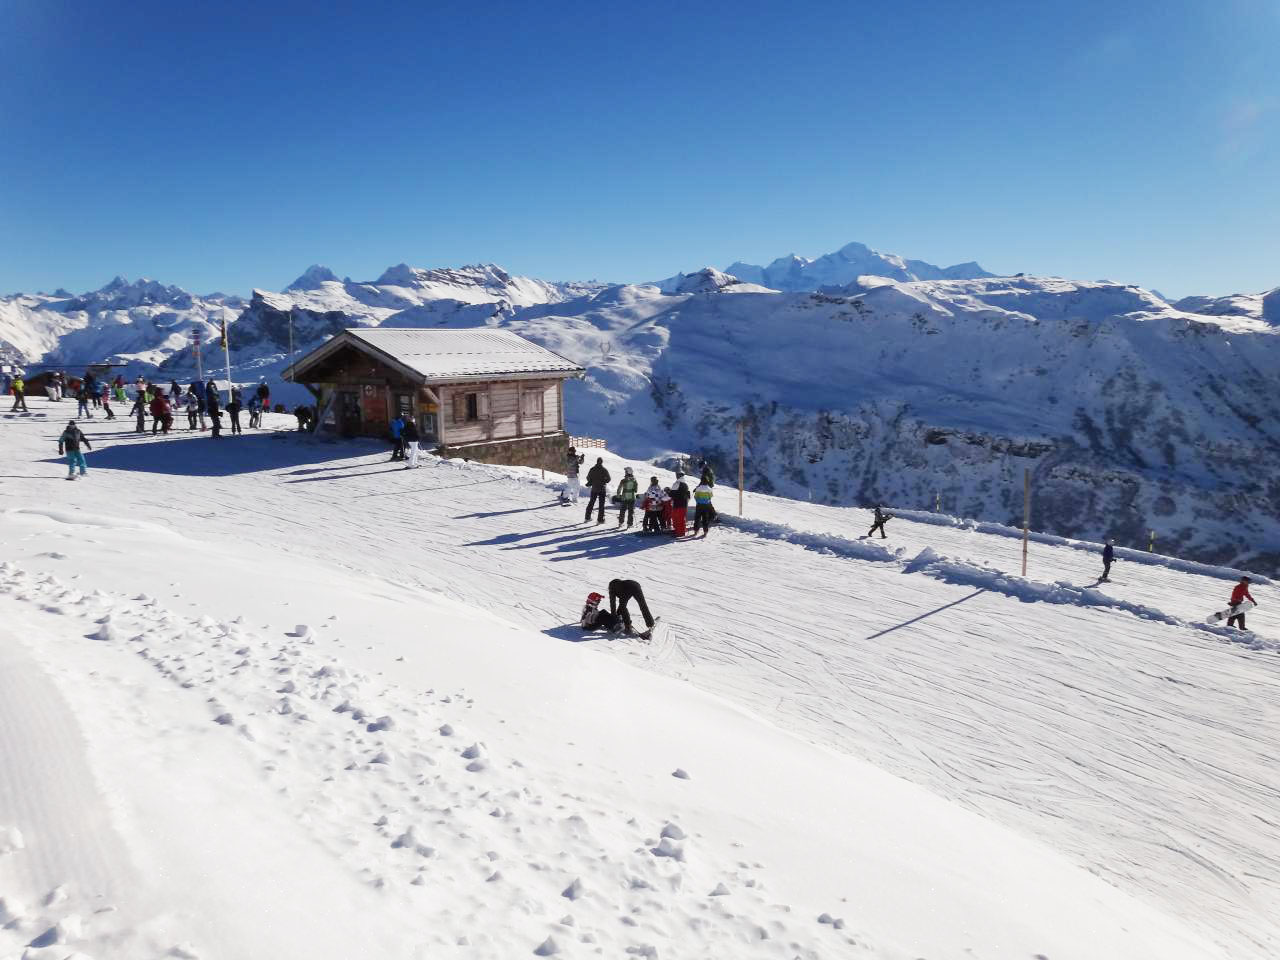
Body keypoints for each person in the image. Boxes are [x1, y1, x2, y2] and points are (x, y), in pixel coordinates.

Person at [584, 457, 611, 524]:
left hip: (594, 488)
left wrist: (592, 482)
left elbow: (588, 477)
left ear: (597, 461)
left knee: (591, 503)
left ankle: (587, 518)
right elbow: (609, 479)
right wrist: (604, 481)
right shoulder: (604, 470)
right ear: (602, 462)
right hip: (602, 489)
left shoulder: (592, 469)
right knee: (601, 505)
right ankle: (600, 520)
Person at [668, 471, 691, 537]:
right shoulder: (685, 484)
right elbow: (688, 495)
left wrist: (668, 492)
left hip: (677, 504)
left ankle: (680, 533)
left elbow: (671, 494)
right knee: (681, 518)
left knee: (677, 518)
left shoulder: (677, 483)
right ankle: (681, 530)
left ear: (678, 476)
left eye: (677, 475)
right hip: (684, 504)